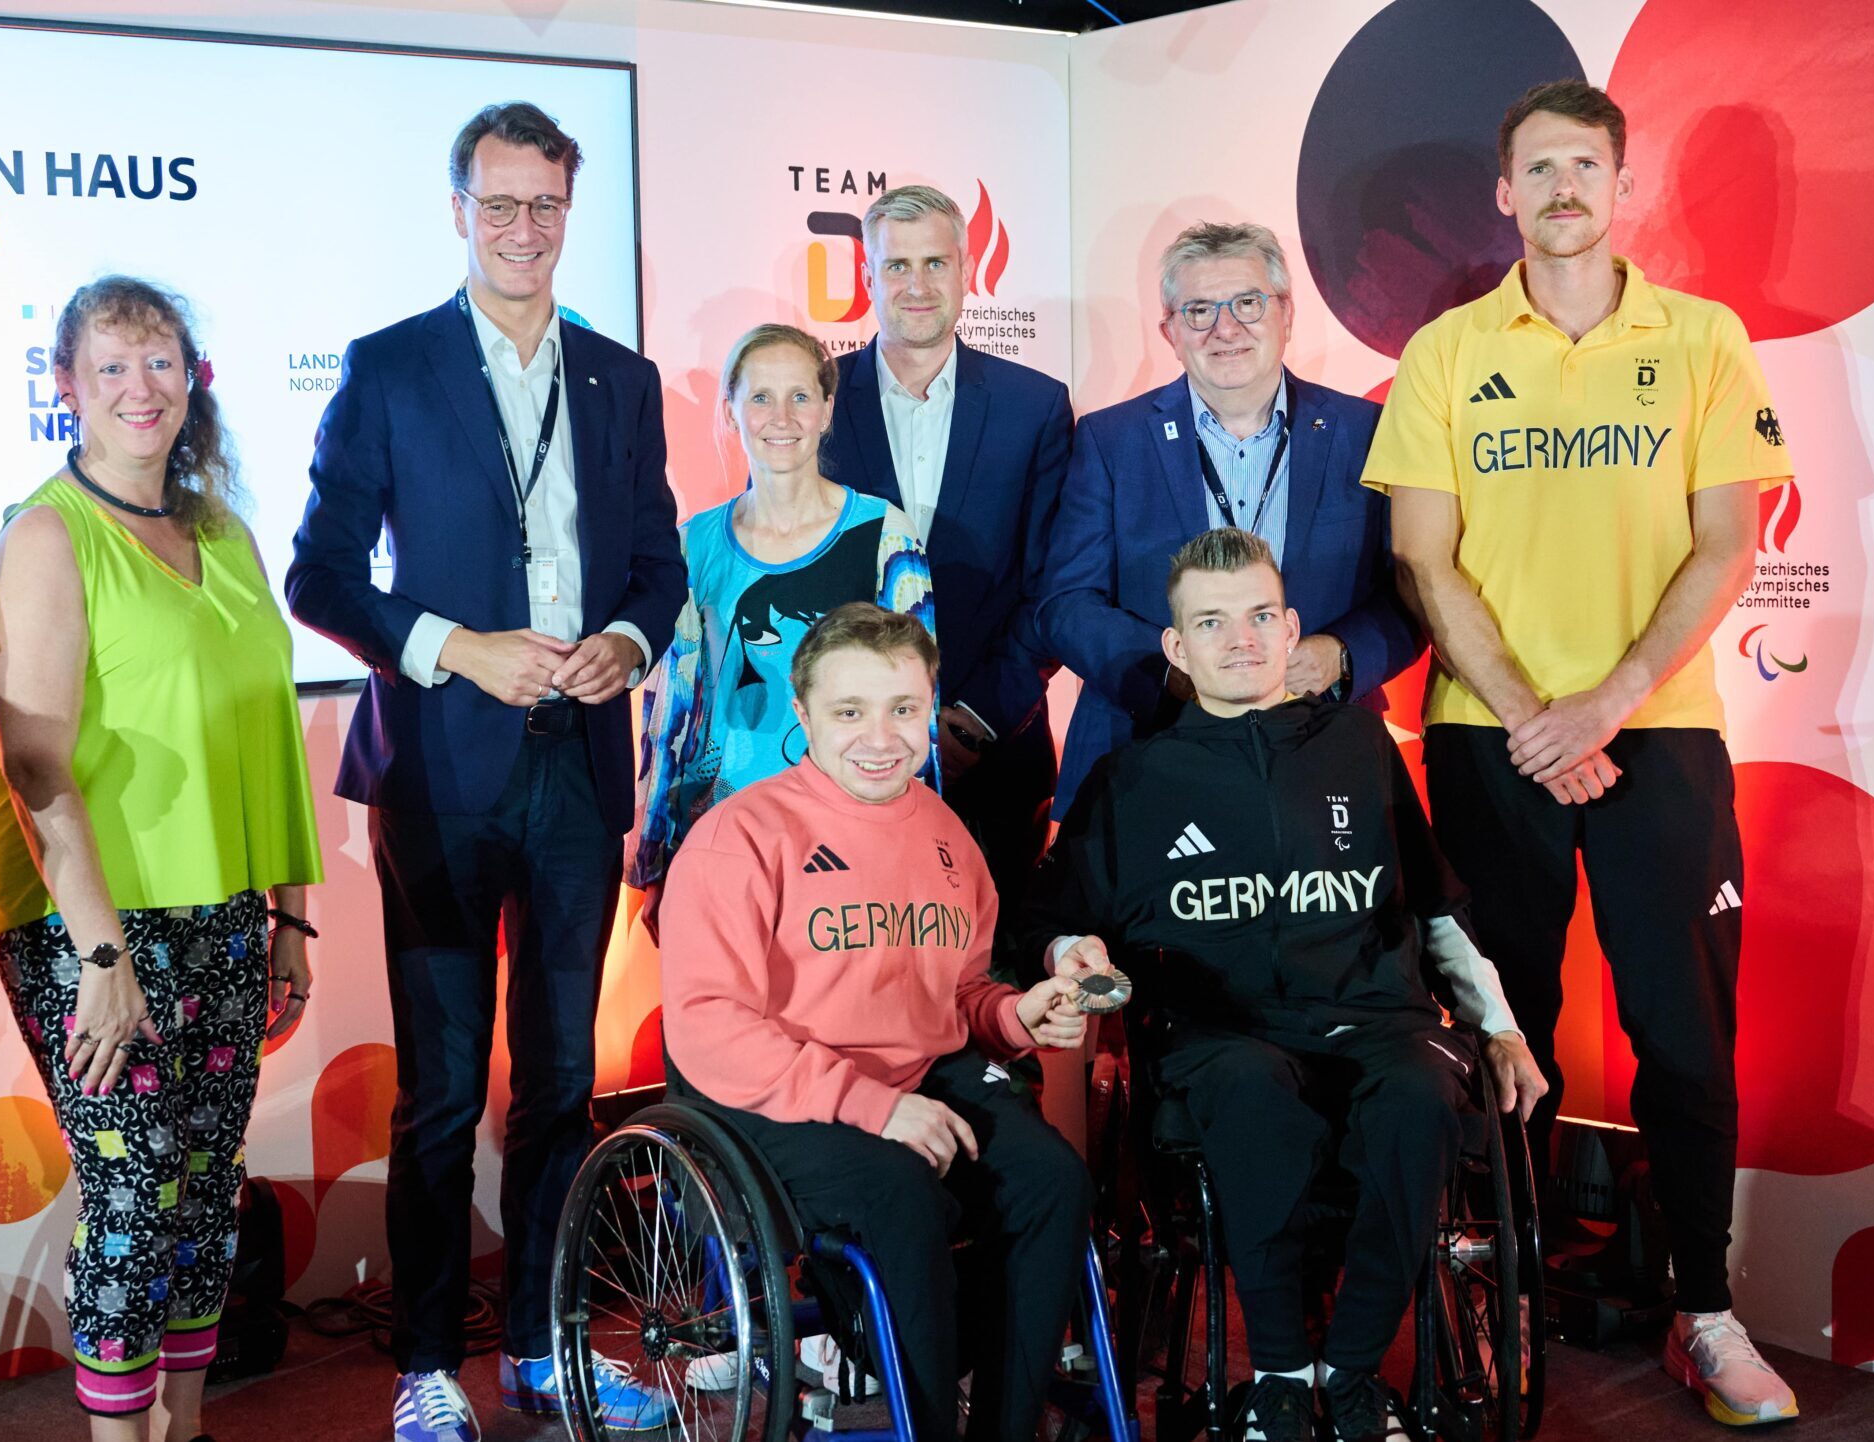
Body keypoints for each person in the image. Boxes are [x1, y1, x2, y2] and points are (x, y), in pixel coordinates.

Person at [1364, 79, 1797, 1427]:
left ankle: (1707, 1316)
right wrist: (1536, 714)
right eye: (1538, 168)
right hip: (1490, 739)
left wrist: (1604, 701)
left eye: (1585, 168)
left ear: (1620, 190)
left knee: (1687, 1037)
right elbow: (1419, 556)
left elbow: (1728, 538)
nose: (1561, 189)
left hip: (1656, 734)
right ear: (1505, 193)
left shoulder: (1705, 339)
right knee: (1508, 1029)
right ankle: (1499, 1295)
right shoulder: (1446, 353)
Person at [283, 102, 686, 1442]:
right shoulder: (390, 368)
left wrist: (625, 642)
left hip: (578, 765)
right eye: (499, 204)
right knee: (446, 1087)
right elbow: (323, 574)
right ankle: (423, 1365)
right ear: (459, 208)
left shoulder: (622, 380)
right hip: (443, 774)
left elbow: (659, 571)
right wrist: (458, 648)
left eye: (546, 207)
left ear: (570, 213)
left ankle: (546, 1346)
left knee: (563, 1078)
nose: (523, 230)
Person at [1024, 529, 1545, 1442]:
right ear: (1177, 649)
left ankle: (1348, 1371)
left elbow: (1436, 906)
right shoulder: (1135, 778)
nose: (1243, 640)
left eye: (1262, 616)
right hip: (1224, 1031)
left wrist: (1501, 1026)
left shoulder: (1359, 745)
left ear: (1292, 625)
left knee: (1425, 1097)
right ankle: (1276, 1377)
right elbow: (1051, 916)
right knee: (1247, 1087)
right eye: (1213, 623)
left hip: (1374, 1019)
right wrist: (1077, 952)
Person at [0, 277, 322, 1434]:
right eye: (111, 366)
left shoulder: (222, 531)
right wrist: (101, 951)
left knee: (207, 1185)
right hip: (90, 915)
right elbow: (35, 768)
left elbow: (266, 730)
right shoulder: (45, 534)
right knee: (130, 1190)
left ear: (192, 381)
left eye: (161, 361)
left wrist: (288, 912)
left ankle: (182, 1419)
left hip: (221, 900)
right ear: (66, 387)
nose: (140, 387)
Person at [661, 602, 1097, 1442]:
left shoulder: (945, 833)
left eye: (903, 709)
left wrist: (1017, 1014)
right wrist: (875, 1107)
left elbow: (960, 993)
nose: (882, 738)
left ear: (932, 708)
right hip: (771, 1093)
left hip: (919, 1076)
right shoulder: (740, 838)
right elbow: (710, 1028)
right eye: (850, 712)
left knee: (1054, 1178)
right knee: (901, 1189)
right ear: (803, 713)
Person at [1038, 221, 1419, 820]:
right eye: (1198, 311)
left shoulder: (1366, 433)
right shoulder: (1110, 440)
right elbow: (1065, 603)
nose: (1226, 329)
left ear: (1286, 315)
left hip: (1320, 754)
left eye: (1247, 303)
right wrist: (1176, 676)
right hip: (1145, 754)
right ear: (1168, 331)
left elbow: (1410, 591)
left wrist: (1341, 656)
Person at [818, 184, 1074, 969]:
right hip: (844, 759)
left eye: (936, 262)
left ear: (969, 269)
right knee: (857, 996)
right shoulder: (817, 399)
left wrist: (974, 720)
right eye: (897, 265)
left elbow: (1053, 588)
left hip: (995, 757)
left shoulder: (1036, 406)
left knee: (992, 990)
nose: (918, 284)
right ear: (868, 276)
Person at [630, 322, 934, 899]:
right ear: (731, 412)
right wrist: (656, 853)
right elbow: (671, 711)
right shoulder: (692, 545)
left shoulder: (885, 535)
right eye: (761, 398)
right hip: (720, 838)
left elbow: (919, 704)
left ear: (826, 408)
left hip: (851, 836)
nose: (782, 418)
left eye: (800, 396)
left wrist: (916, 840)